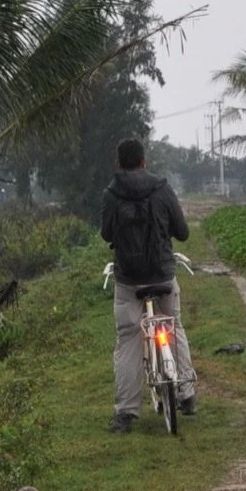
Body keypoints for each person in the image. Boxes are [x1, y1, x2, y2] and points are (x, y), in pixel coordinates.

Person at [99, 137, 194, 433]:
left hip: (129, 280)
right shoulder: (162, 189)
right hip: (163, 274)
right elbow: (183, 231)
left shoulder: (112, 194)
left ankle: (125, 414)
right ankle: (187, 395)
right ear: (144, 161)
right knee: (173, 325)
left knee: (128, 339)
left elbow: (105, 234)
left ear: (118, 164)